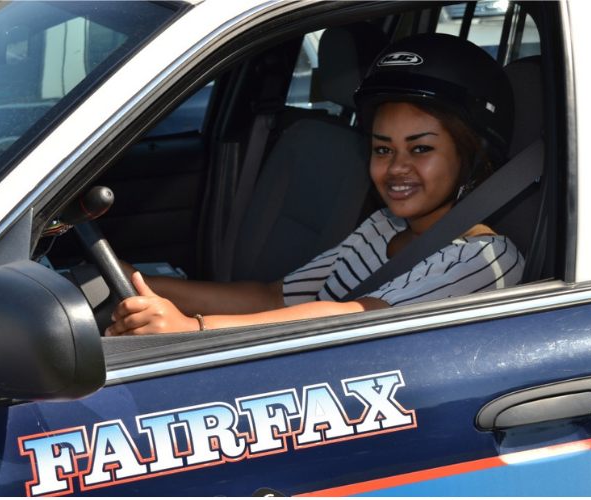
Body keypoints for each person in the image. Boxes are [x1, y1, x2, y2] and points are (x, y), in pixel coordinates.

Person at [106, 33, 521, 336]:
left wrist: (193, 329)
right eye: (382, 149)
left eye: (420, 149)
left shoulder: (486, 259)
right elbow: (273, 299)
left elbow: (358, 314)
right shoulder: (380, 227)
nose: (396, 168)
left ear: (472, 155)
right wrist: (140, 283)